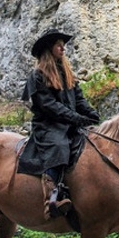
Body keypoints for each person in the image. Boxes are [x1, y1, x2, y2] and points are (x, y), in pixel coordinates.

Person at [17, 28, 100, 220]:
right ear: (49, 48)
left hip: (69, 122)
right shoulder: (37, 76)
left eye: (63, 45)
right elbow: (49, 106)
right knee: (59, 145)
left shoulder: (67, 73)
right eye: (58, 45)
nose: (63, 49)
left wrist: (91, 114)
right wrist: (75, 118)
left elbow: (78, 99)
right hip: (48, 126)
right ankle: (51, 197)